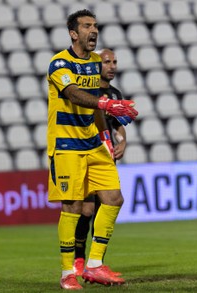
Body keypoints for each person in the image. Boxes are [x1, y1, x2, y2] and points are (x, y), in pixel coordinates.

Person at [46, 9, 138, 290]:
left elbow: (96, 101)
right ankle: (67, 273)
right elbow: (74, 93)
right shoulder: (59, 63)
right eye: (86, 26)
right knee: (73, 207)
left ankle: (95, 265)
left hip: (93, 143)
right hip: (66, 144)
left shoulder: (96, 61)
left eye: (95, 26)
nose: (93, 30)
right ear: (74, 33)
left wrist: (108, 136)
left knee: (113, 198)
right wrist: (106, 105)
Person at [73, 48, 127, 277]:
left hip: (106, 155)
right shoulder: (87, 90)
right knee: (85, 209)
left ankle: (96, 262)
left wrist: (122, 141)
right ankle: (78, 258)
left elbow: (118, 123)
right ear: (97, 64)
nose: (112, 66)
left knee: (104, 207)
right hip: (86, 153)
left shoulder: (114, 94)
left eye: (114, 61)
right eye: (107, 62)